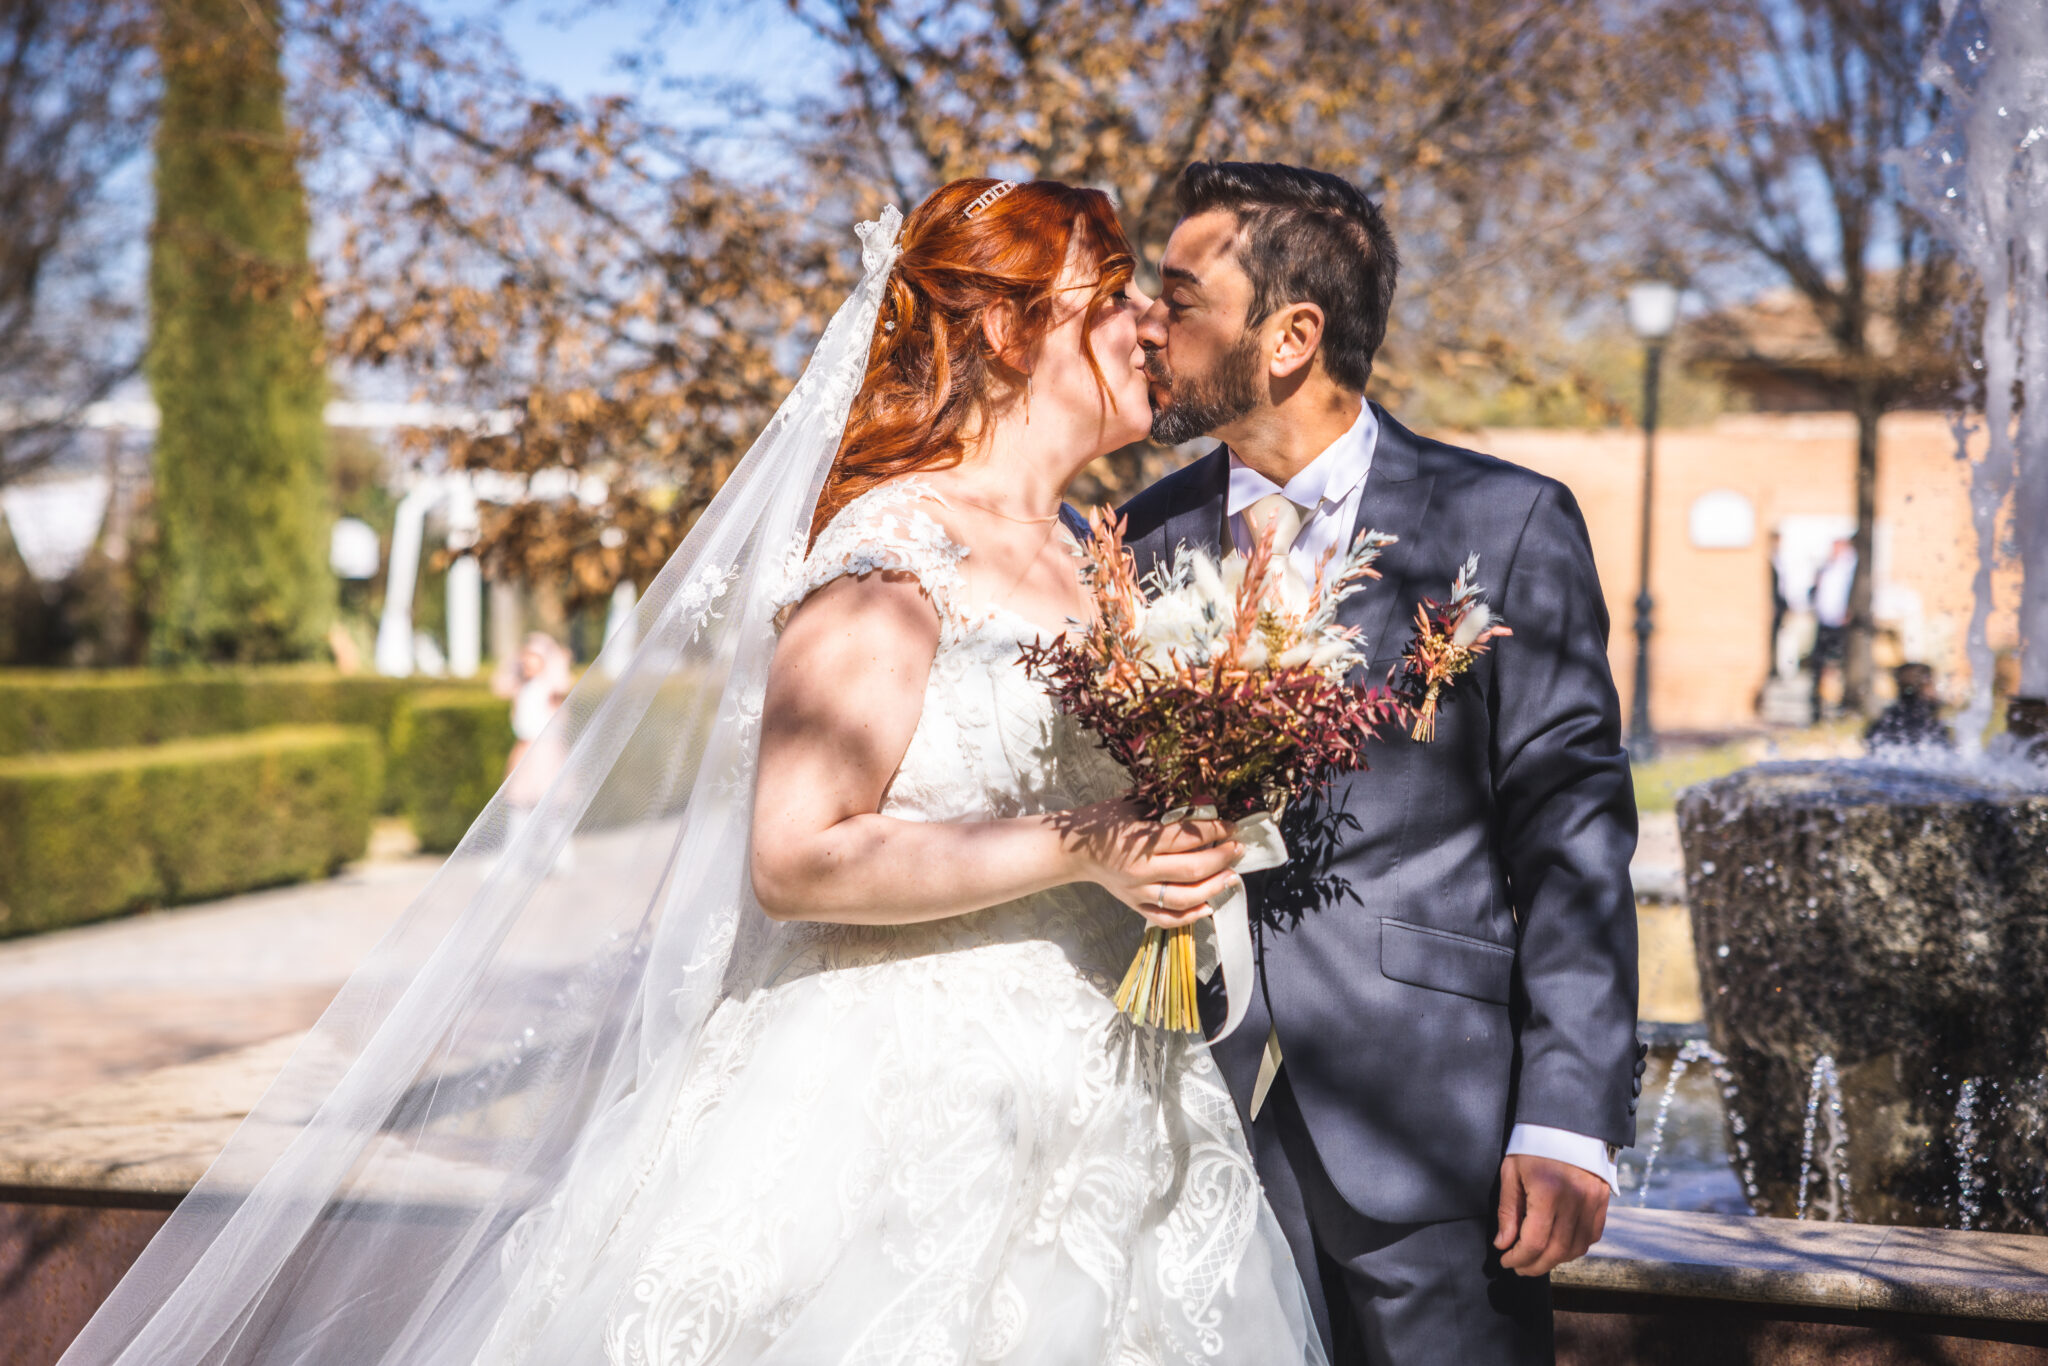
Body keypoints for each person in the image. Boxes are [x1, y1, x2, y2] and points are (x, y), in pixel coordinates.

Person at [59, 182, 1322, 1364]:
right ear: (1002, 327)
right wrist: (1085, 842)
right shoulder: (892, 552)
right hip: (890, 1101)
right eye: (1111, 296)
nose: (1152, 325)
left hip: (1106, 1091)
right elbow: (795, 853)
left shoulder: (1081, 554)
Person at [1119, 161, 1642, 1365]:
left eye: (1181, 295)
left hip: (1422, 1120)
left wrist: (1566, 1117)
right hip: (1179, 1115)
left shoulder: (1503, 523)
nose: (1151, 323)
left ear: (1289, 335)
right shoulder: (1137, 539)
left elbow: (1569, 827)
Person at [1809, 537, 1857, 722]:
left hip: (1842, 626)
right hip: (1824, 622)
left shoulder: (1850, 569)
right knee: (1818, 665)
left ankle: (1842, 707)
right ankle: (1817, 708)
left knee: (1840, 665)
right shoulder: (1826, 567)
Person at [1865, 662, 1955, 754]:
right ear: (1924, 685)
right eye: (1932, 683)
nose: (1936, 691)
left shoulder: (1887, 718)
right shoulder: (1928, 723)